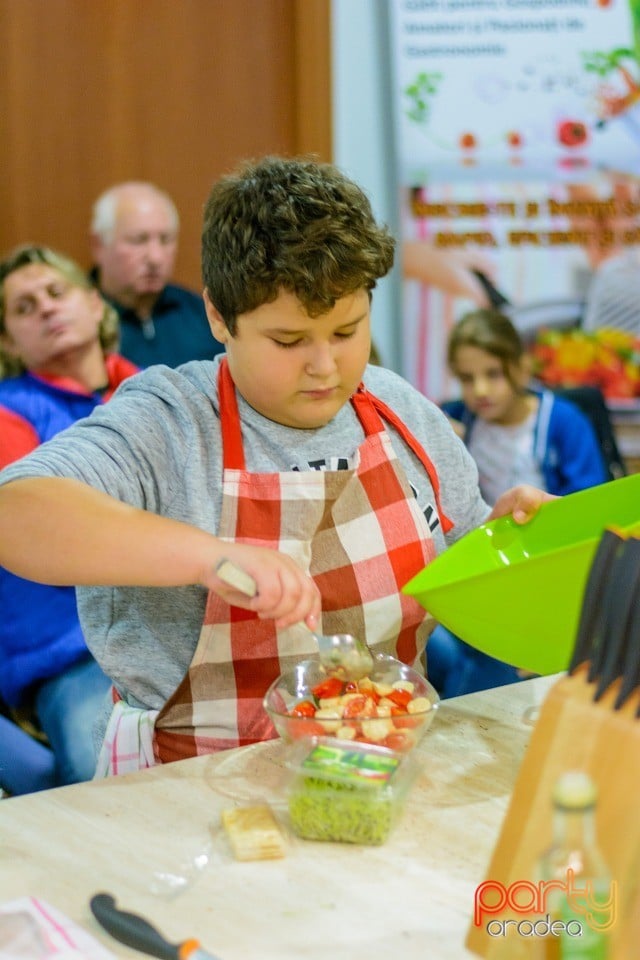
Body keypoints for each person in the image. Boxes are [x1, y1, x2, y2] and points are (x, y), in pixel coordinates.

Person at [0, 157, 550, 777]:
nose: (325, 367)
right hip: (185, 784)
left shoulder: (400, 413)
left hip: (375, 767)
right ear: (217, 318)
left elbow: (475, 583)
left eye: (347, 330)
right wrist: (212, 559)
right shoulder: (172, 420)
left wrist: (519, 547)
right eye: (288, 341)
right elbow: (17, 512)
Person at [0, 244, 139, 785]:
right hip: (69, 651)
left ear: (94, 302)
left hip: (187, 625)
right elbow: (45, 526)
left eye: (57, 293)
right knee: (108, 785)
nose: (47, 309)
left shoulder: (155, 387)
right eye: (25, 307)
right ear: (10, 340)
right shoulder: (9, 411)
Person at [428, 307, 609, 699]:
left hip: (546, 567)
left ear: (521, 367)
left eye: (492, 374)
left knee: (479, 666)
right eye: (466, 378)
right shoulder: (456, 420)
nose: (479, 390)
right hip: (486, 569)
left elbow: (587, 507)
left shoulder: (562, 422)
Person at [90, 181, 225, 368]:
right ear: (99, 245)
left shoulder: (205, 314)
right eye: (138, 240)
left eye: (166, 239)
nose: (155, 257)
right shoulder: (77, 321)